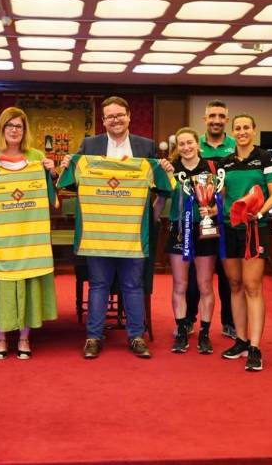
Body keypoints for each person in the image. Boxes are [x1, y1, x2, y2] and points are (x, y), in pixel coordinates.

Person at [59, 96, 172, 359]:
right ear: (103, 121)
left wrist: (164, 168)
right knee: (99, 284)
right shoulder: (90, 145)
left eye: (120, 114)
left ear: (129, 116)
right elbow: (74, 184)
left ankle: (136, 337)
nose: (115, 120)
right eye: (110, 116)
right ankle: (93, 337)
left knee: (132, 285)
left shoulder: (146, 146)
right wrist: (67, 167)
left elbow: (160, 185)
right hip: (99, 232)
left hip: (133, 232)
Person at [0, 107, 58, 359]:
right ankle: (0, 339)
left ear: (25, 130)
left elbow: (52, 191)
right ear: (2, 128)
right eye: (10, 125)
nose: (14, 130)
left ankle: (25, 338)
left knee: (28, 285)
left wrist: (51, 172)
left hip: (28, 239)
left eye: (19, 126)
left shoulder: (37, 156)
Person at [217, 114, 272, 371]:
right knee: (234, 285)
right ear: (232, 132)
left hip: (255, 228)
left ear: (254, 130)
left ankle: (255, 347)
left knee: (252, 286)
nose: (242, 132)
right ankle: (241, 340)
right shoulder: (225, 163)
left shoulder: (267, 158)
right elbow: (220, 195)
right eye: (238, 128)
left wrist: (260, 214)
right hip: (228, 228)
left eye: (246, 127)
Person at [185, 100, 236, 339]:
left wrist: (220, 208)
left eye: (220, 116)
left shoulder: (236, 146)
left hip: (226, 223)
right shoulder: (195, 146)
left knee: (228, 277)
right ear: (204, 119)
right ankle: (188, 320)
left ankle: (230, 322)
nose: (216, 120)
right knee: (195, 279)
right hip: (198, 221)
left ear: (226, 119)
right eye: (212, 116)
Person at [166, 127, 217, 354]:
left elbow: (220, 201)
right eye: (181, 144)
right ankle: (181, 330)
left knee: (205, 284)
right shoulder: (171, 169)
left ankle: (204, 333)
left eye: (190, 142)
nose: (186, 147)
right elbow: (161, 198)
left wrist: (213, 211)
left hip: (204, 229)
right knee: (180, 284)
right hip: (179, 230)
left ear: (198, 143)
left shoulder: (210, 168)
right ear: (177, 147)